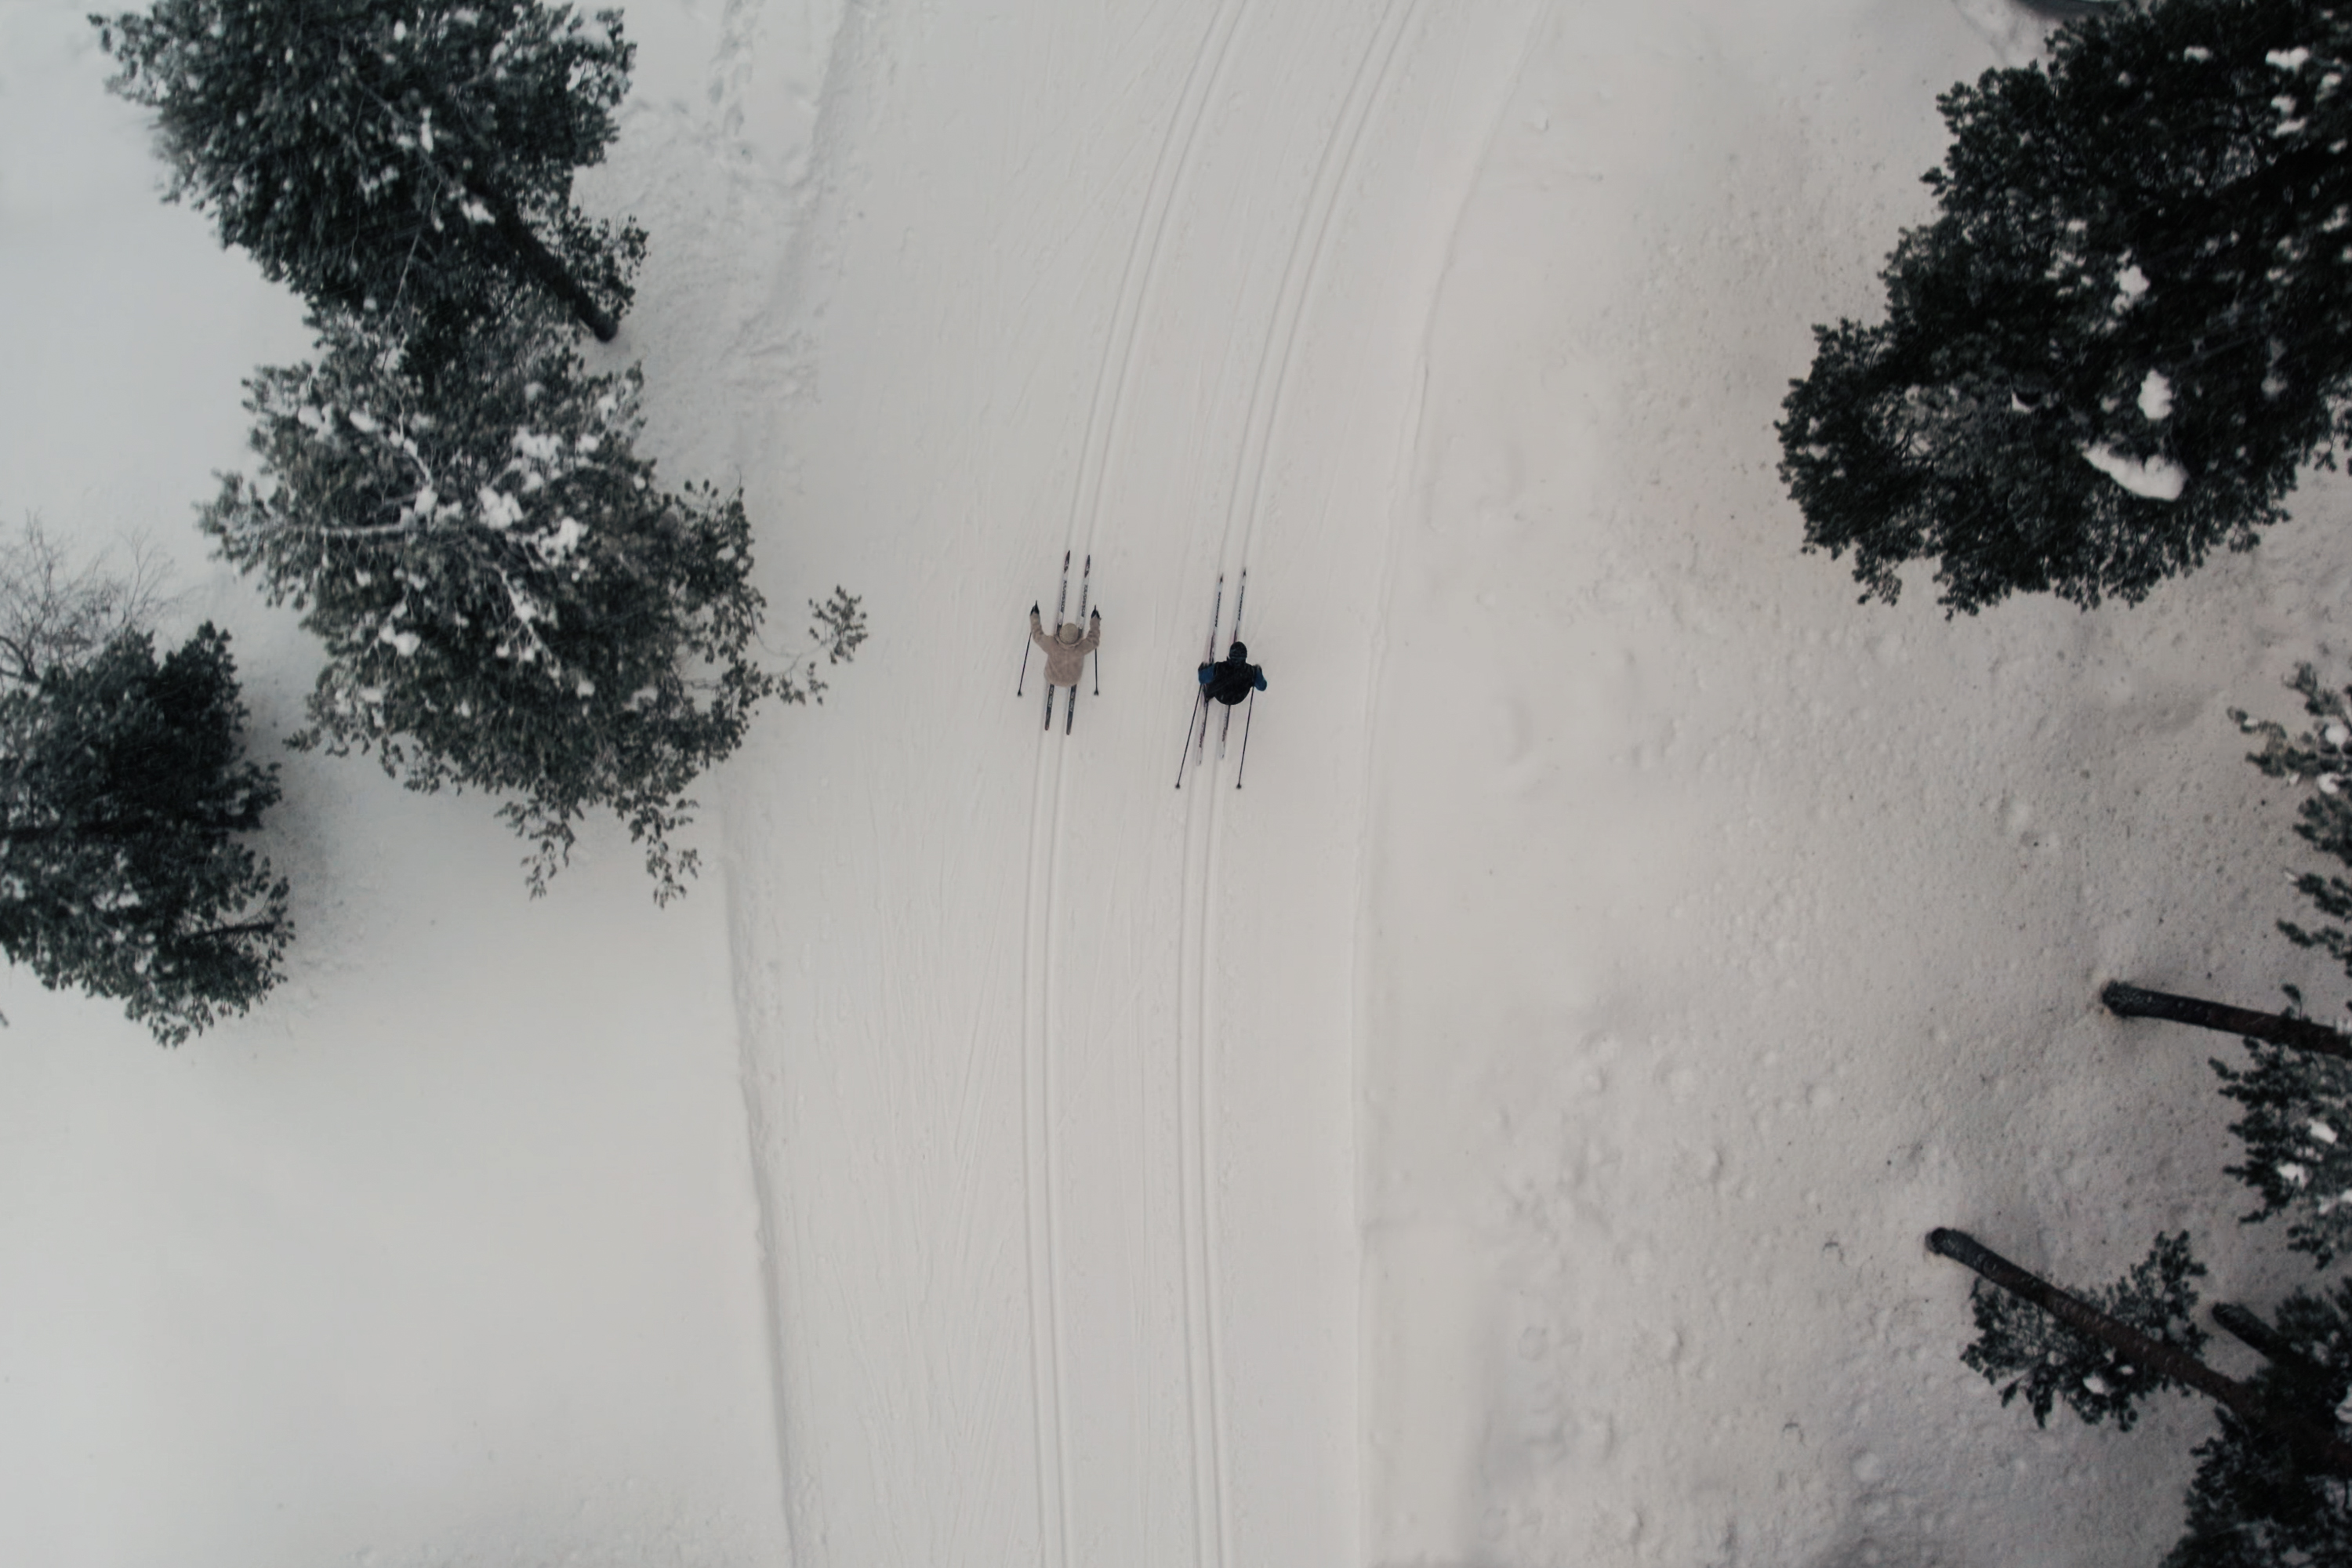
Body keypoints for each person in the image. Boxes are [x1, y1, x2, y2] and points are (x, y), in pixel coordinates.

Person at [1029, 602, 1101, 691]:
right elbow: (1094, 640)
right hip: (1073, 680)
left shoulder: (1052, 644)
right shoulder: (1081, 648)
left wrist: (1034, 615)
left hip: (1051, 677)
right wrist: (1095, 620)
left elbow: (1037, 636)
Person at [1198, 640, 1265, 706]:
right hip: (1239, 698)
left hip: (1221, 696)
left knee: (1214, 676)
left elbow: (1202, 679)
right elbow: (1262, 687)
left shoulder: (1219, 667)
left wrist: (1202, 669)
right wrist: (1258, 672)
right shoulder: (1251, 671)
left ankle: (1209, 693)